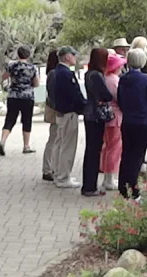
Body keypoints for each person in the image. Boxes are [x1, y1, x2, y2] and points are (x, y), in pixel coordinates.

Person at [116, 48, 147, 199]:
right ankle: (133, 189)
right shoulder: (146, 79)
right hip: (144, 122)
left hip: (128, 120)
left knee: (127, 153)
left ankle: (122, 186)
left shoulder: (123, 78)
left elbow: (120, 99)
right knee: (138, 156)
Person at [49, 47, 86, 188]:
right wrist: (84, 106)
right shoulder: (65, 74)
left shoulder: (55, 73)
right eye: (73, 55)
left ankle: (57, 172)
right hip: (69, 113)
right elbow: (74, 94)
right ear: (66, 57)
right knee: (67, 146)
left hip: (60, 112)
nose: (75, 57)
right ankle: (63, 177)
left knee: (59, 143)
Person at [81, 48, 116, 197]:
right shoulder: (97, 75)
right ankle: (90, 187)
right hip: (96, 115)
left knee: (90, 150)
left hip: (89, 114)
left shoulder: (88, 73)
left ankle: (88, 185)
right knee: (94, 151)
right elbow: (107, 95)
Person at [0, 45, 39, 156]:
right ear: (28, 55)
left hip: (13, 96)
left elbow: (4, 77)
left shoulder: (12, 65)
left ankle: (2, 141)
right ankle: (26, 146)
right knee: (27, 120)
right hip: (27, 97)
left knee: (10, 119)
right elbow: (36, 84)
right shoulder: (32, 68)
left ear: (18, 54)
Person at [99, 51, 126, 191]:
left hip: (108, 117)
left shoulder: (105, 78)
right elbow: (119, 98)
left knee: (108, 146)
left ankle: (107, 177)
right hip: (116, 117)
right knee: (115, 148)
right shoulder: (114, 80)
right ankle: (110, 178)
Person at [41, 49, 63, 181]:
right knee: (54, 138)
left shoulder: (51, 73)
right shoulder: (54, 74)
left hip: (53, 107)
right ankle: (47, 168)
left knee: (55, 138)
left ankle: (51, 166)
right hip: (55, 109)